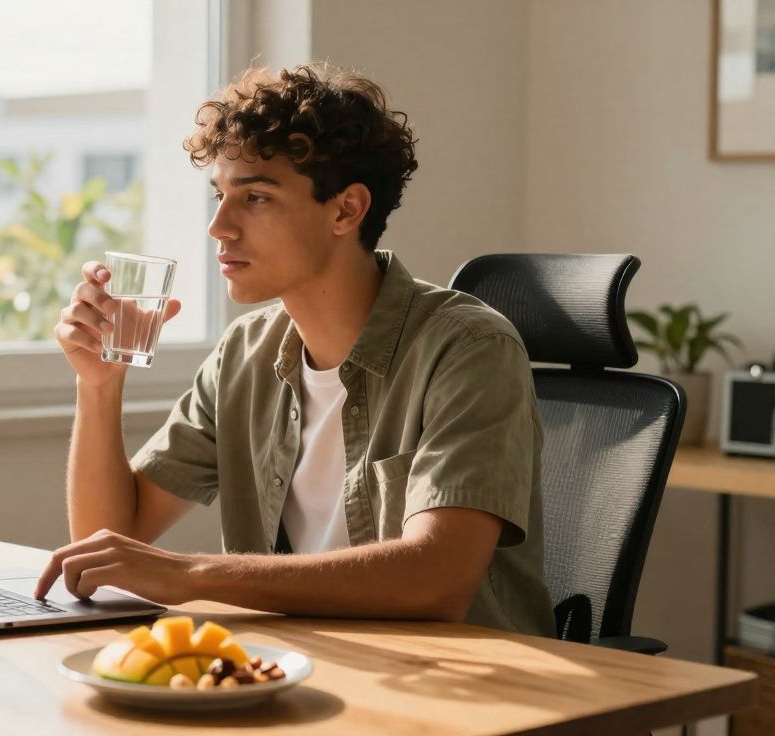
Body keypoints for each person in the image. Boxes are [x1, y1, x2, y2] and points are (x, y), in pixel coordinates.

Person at [34, 63, 554, 636]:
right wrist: (99, 386)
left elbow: (436, 578)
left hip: (469, 691)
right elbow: (106, 546)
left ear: (345, 210)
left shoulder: (469, 348)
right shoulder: (245, 354)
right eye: (219, 195)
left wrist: (192, 574)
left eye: (255, 197)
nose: (219, 227)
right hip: (304, 669)